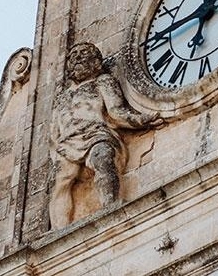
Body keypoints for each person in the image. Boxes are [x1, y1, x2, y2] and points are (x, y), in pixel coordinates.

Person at [49, 42, 160, 229]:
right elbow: (54, 133)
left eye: (84, 53)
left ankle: (109, 208)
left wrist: (142, 120)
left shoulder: (103, 82)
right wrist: (56, 153)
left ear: (96, 62)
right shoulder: (62, 97)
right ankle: (59, 230)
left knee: (103, 160)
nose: (77, 58)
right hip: (67, 144)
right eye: (73, 55)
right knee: (58, 182)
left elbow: (116, 112)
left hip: (97, 134)